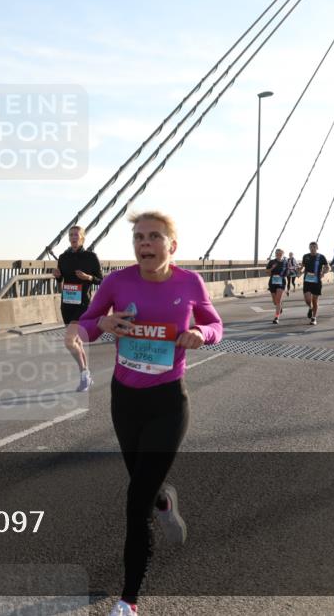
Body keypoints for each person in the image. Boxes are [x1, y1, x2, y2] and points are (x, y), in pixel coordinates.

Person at [76, 211, 223, 616]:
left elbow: (215, 324)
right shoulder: (116, 282)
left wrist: (201, 333)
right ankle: (164, 502)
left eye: (154, 236)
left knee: (134, 500)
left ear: (171, 246)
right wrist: (102, 322)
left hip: (168, 403)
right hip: (125, 401)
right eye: (139, 237)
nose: (145, 243)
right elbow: (85, 326)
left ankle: (129, 600)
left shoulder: (189, 283)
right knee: (144, 484)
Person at [52, 225, 104, 392]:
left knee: (69, 341)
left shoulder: (91, 257)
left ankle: (83, 374)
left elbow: (101, 280)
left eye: (76, 235)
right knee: (76, 341)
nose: (73, 237)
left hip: (82, 304)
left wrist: (88, 277)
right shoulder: (63, 257)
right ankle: (86, 376)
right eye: (71, 235)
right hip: (67, 304)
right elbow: (60, 281)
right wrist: (57, 277)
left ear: (82, 238)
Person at [300, 241, 329, 325]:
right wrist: (299, 270)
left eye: (314, 247)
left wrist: (323, 272)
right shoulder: (305, 256)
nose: (312, 249)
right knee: (307, 300)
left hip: (317, 281)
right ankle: (310, 307)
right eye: (311, 247)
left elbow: (328, 267)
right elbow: (302, 267)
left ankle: (314, 318)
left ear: (317, 248)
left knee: (315, 300)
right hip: (307, 281)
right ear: (309, 248)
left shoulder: (321, 257)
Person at [266, 248, 289, 324]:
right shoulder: (272, 262)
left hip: (281, 282)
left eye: (280, 253)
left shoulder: (285, 262)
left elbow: (287, 273)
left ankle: (276, 317)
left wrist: (284, 275)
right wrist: (272, 268)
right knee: (275, 301)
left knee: (278, 300)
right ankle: (280, 307)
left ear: (283, 254)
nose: (278, 255)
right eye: (277, 253)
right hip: (272, 282)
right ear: (275, 254)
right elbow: (267, 271)